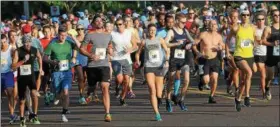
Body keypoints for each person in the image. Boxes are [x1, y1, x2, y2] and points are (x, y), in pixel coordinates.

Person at [78, 15, 113, 122]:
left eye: (100, 21)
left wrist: (110, 50)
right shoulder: (89, 34)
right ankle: (90, 93)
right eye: (96, 21)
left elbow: (110, 46)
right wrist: (91, 55)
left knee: (104, 87)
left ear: (103, 22)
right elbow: (81, 49)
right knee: (92, 87)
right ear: (93, 24)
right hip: (92, 65)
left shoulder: (108, 35)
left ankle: (107, 113)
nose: (99, 22)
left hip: (104, 65)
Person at [136, 24, 169, 121]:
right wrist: (137, 60)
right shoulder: (144, 41)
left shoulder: (160, 40)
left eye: (154, 30)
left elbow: (166, 50)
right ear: (147, 31)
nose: (152, 32)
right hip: (148, 66)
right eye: (150, 30)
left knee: (158, 93)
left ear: (156, 31)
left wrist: (167, 59)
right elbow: (138, 53)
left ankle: (159, 98)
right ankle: (157, 113)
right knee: (152, 89)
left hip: (159, 67)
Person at [44, 26, 77, 122]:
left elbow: (77, 47)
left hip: (67, 71)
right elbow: (44, 58)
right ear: (58, 35)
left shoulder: (69, 42)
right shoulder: (52, 44)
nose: (63, 37)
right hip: (56, 72)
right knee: (59, 92)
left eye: (65, 35)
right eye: (61, 35)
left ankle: (64, 112)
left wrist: (74, 57)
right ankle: (56, 95)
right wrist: (53, 62)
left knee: (66, 92)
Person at [227, 8, 256, 112]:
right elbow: (227, 39)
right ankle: (247, 96)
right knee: (249, 72)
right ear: (241, 16)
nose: (245, 17)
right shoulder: (236, 28)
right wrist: (227, 53)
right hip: (239, 55)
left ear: (250, 16)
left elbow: (255, 40)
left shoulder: (253, 28)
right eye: (243, 15)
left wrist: (255, 44)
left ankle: (238, 99)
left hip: (250, 56)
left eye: (247, 15)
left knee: (244, 80)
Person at [164, 13, 195, 112]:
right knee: (171, 81)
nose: (184, 24)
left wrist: (189, 44)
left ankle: (181, 99)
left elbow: (193, 41)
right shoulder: (171, 31)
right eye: (182, 22)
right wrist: (176, 43)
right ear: (177, 21)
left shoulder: (185, 31)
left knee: (186, 80)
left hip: (184, 59)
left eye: (185, 22)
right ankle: (168, 100)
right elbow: (165, 43)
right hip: (174, 59)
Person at [194, 20, 225, 104]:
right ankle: (201, 82)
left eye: (214, 24)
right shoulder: (203, 34)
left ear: (216, 26)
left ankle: (211, 96)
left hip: (215, 59)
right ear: (208, 25)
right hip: (205, 59)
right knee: (206, 80)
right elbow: (194, 44)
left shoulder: (219, 36)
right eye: (211, 24)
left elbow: (223, 45)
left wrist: (220, 48)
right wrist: (198, 53)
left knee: (214, 79)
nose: (213, 26)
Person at [14, 35, 43, 126]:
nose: (28, 44)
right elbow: (13, 66)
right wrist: (23, 60)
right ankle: (22, 119)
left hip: (31, 77)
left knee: (34, 94)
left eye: (29, 42)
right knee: (22, 100)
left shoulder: (34, 49)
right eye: (26, 42)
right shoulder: (18, 51)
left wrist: (41, 68)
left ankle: (34, 115)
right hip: (21, 78)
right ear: (23, 43)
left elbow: (39, 57)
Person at [111, 18, 137, 105]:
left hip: (127, 59)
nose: (119, 26)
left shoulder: (129, 33)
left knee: (126, 80)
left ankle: (122, 98)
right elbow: (108, 45)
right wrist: (110, 50)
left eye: (120, 24)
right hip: (116, 59)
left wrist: (130, 49)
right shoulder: (112, 33)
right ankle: (118, 86)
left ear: (124, 25)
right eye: (117, 24)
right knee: (120, 79)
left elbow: (135, 45)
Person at [262, 9, 279, 100]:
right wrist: (272, 44)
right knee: (270, 76)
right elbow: (262, 41)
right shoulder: (268, 28)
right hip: (271, 55)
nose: (277, 17)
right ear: (272, 17)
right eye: (275, 15)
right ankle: (267, 88)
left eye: (279, 15)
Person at [1, 34, 18, 124]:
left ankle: (12, 114)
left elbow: (16, 57)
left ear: (6, 40)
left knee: (10, 92)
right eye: (1, 43)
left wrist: (15, 63)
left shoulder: (11, 49)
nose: (3, 44)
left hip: (8, 73)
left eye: (4, 42)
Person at [253, 12, 267, 99]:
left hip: (269, 54)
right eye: (259, 19)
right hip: (258, 54)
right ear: (256, 21)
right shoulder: (254, 30)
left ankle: (263, 86)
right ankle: (264, 92)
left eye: (262, 19)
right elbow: (258, 41)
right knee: (263, 74)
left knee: (270, 75)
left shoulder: (268, 28)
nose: (261, 21)